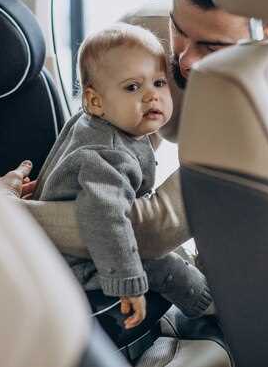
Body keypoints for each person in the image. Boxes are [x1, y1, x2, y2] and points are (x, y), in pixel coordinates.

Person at [1, 0, 268, 258]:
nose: (185, 60)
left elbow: (150, 230)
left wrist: (1, 211)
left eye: (211, 46)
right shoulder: (141, 37)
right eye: (179, 29)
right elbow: (97, 157)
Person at [35, 23, 213, 328]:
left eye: (159, 83)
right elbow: (105, 215)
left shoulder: (89, 122)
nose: (152, 96)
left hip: (71, 248)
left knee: (168, 248)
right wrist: (128, 282)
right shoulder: (109, 154)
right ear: (95, 101)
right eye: (133, 87)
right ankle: (207, 305)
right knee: (162, 263)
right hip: (79, 262)